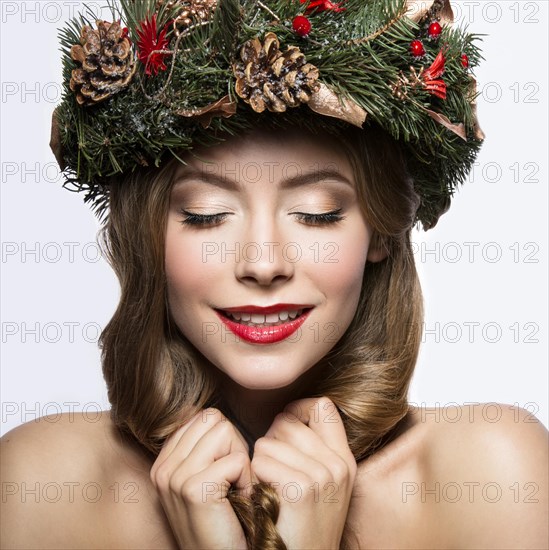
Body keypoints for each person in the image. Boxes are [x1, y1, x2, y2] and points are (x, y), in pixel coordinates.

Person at [1, 0, 547, 548]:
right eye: (206, 215)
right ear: (146, 237)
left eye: (316, 213)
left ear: (381, 231)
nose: (263, 263)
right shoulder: (43, 484)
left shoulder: (492, 475)